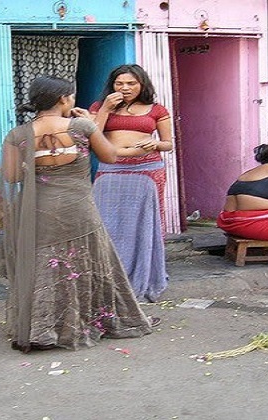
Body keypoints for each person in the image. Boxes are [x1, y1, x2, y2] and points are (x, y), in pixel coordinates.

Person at [0, 75, 155, 352]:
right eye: (70, 96)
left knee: (43, 262)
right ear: (64, 99)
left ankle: (42, 328)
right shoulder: (81, 126)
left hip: (39, 208)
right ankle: (95, 321)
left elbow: (11, 177)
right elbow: (109, 156)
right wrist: (92, 123)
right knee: (90, 260)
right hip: (78, 206)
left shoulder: (17, 135)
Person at [87, 64, 172, 303]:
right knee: (107, 222)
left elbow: (169, 144)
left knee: (145, 223)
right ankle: (110, 276)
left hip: (147, 170)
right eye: (119, 83)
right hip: (110, 169)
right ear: (112, 85)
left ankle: (145, 272)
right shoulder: (99, 106)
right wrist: (105, 108)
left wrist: (155, 145)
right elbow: (91, 135)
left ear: (142, 84)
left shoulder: (156, 109)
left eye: (131, 83)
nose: (125, 88)